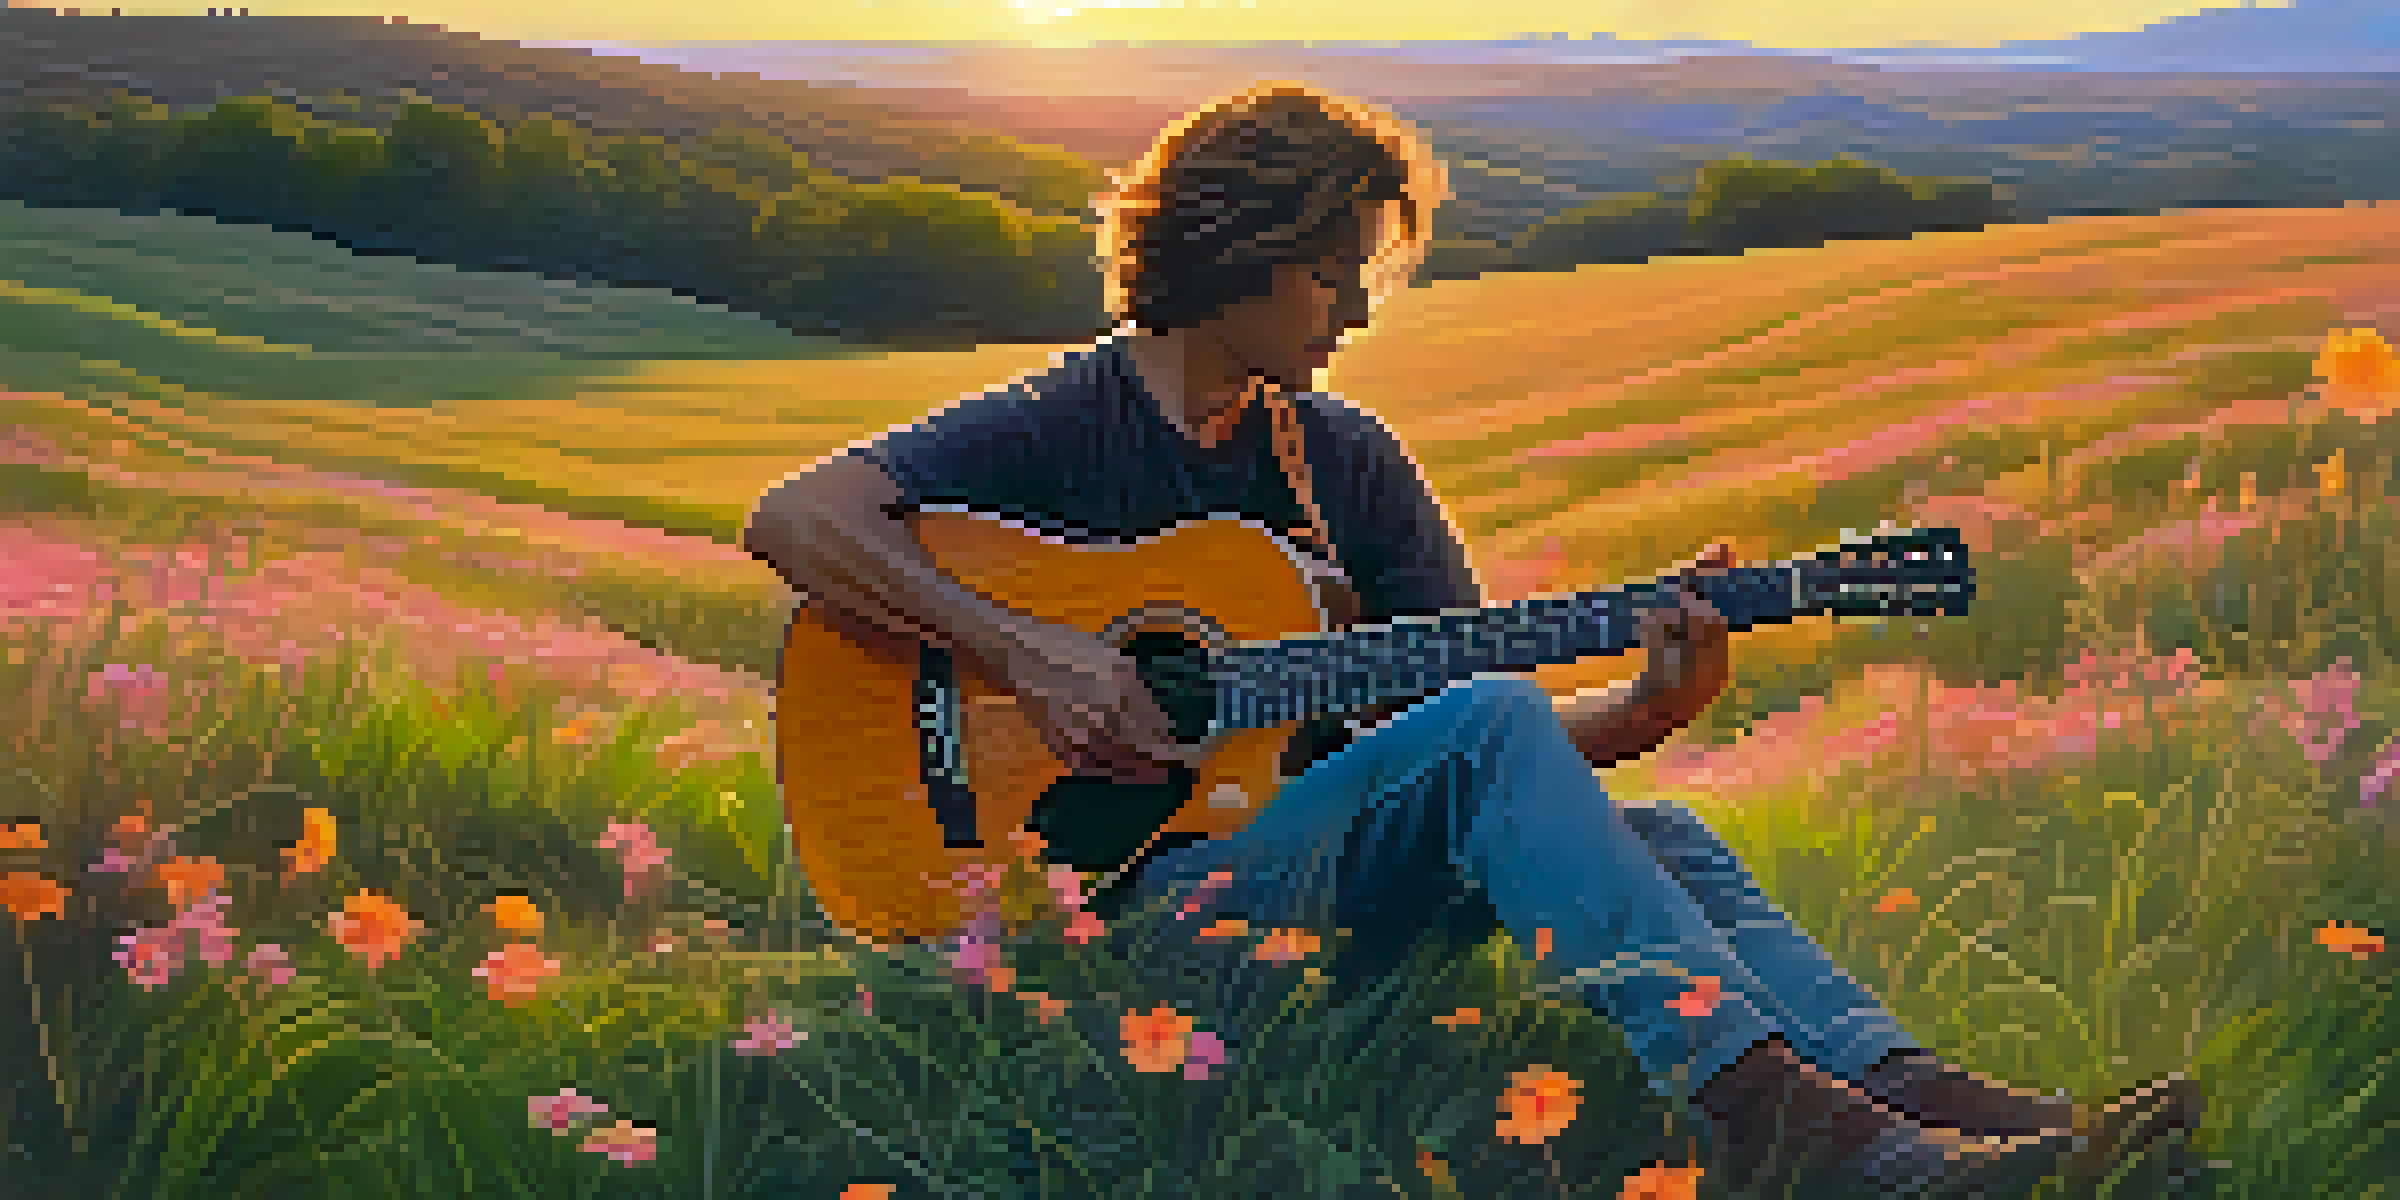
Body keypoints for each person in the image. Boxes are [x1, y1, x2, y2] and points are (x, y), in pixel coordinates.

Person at [740, 80, 2201, 1196]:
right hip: (1114, 935)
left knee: (1668, 831)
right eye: (1331, 271)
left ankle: (1933, 1114)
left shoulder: (1345, 463)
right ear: (1230, 255)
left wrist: (1641, 709)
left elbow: (1468, 760)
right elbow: (799, 516)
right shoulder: (1065, 423)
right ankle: (1817, 1149)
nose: (1357, 309)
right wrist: (1032, 649)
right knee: (1512, 738)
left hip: (1309, 909)